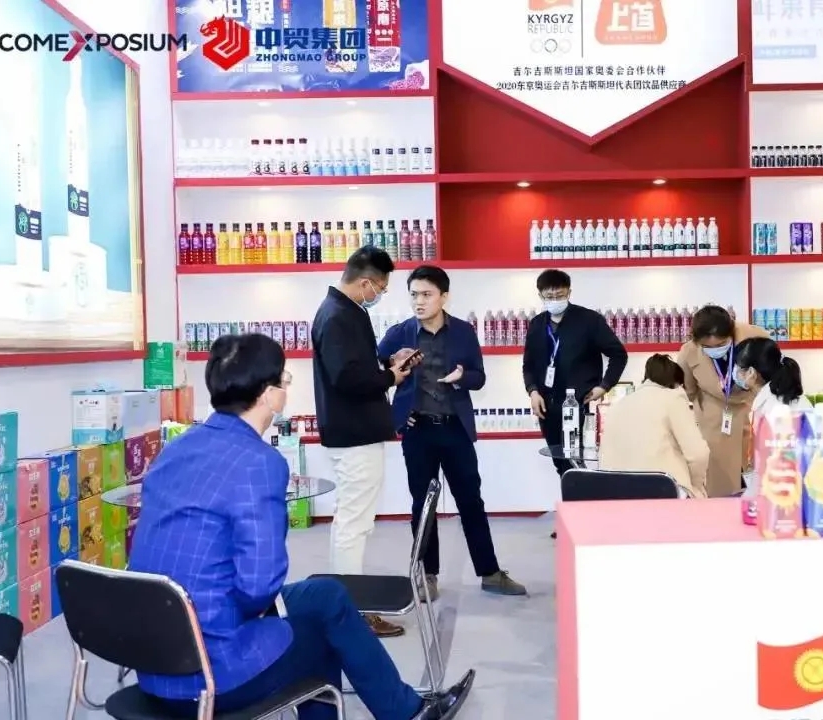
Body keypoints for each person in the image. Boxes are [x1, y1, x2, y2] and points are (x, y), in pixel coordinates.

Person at [129, 333, 474, 720]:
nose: (286, 388)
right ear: (269, 394)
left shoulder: (176, 449)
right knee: (321, 633)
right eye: (285, 379)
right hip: (212, 671)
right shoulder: (259, 463)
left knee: (327, 595)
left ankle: (406, 711)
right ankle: (406, 713)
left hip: (156, 659)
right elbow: (258, 588)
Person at [378, 265, 527, 600]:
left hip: (455, 429)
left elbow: (479, 377)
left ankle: (490, 572)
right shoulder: (399, 333)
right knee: (423, 505)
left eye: (426, 294)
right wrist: (396, 414)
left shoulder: (463, 332)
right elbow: (377, 373)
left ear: (444, 296)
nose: (419, 301)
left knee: (471, 500)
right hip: (418, 431)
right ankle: (427, 575)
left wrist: (462, 377)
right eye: (414, 295)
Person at [311, 246, 412, 638]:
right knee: (354, 526)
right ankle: (352, 613)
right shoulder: (337, 316)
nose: (379, 294)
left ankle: (346, 606)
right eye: (381, 288)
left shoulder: (345, 312)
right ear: (366, 282)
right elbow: (346, 377)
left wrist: (386, 365)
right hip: (354, 434)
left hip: (354, 431)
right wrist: (390, 378)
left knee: (352, 523)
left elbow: (355, 367)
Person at [522, 269, 628, 476]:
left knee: (574, 464)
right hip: (547, 406)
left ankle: (580, 496)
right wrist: (533, 391)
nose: (555, 300)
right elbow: (528, 365)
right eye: (549, 296)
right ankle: (574, 495)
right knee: (560, 464)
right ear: (540, 295)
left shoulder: (590, 320)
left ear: (569, 293)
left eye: (560, 295)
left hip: (579, 403)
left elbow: (618, 355)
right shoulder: (536, 325)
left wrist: (604, 386)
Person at [676, 304, 769, 498]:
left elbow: (771, 373)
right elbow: (688, 391)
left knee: (759, 478)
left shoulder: (756, 338)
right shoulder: (688, 352)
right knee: (720, 485)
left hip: (752, 410)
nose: (715, 350)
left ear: (731, 332)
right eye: (708, 347)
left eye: (721, 344)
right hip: (714, 421)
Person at [598, 354, 710, 497]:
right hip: (662, 491)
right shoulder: (673, 398)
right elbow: (698, 453)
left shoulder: (617, 406)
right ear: (677, 384)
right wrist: (695, 487)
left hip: (617, 494)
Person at [732, 336, 812, 416]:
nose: (734, 372)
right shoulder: (777, 395)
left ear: (751, 373)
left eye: (737, 368)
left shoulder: (771, 408)